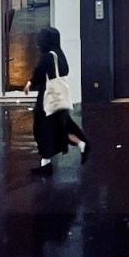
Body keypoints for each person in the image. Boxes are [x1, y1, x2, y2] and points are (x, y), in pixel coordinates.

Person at [24, 26, 90, 175]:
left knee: (42, 130)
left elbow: (39, 72)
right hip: (60, 98)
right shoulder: (60, 54)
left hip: (48, 98)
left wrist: (30, 83)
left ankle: (47, 164)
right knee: (60, 127)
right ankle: (80, 144)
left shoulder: (47, 56)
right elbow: (64, 71)